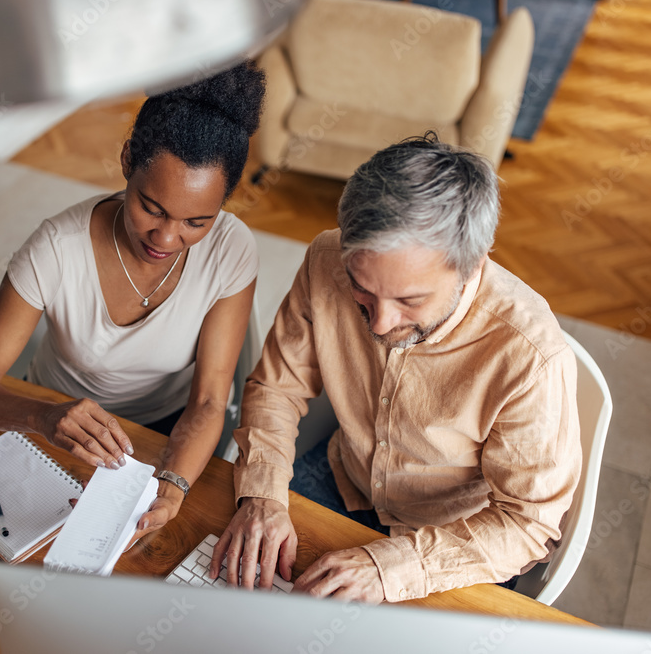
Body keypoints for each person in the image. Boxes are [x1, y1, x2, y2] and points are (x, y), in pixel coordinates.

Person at [211, 133, 582, 603]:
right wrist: (263, 493)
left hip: (456, 536)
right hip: (344, 480)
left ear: (472, 266)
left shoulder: (531, 358)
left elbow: (528, 523)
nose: (381, 324)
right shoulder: (326, 260)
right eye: (361, 290)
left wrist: (395, 564)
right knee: (235, 596)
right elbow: (277, 386)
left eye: (410, 300)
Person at [0, 61, 266, 537]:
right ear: (126, 162)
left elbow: (209, 399)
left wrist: (172, 486)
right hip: (57, 426)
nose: (167, 237)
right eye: (150, 207)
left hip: (167, 432)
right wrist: (42, 415)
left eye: (196, 221)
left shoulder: (231, 249)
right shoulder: (57, 246)